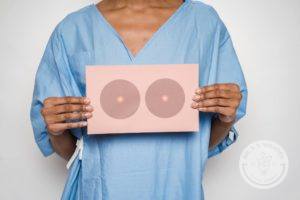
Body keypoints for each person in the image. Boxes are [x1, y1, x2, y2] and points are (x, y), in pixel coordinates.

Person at [30, 0, 247, 199]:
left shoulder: (204, 23)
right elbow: (78, 154)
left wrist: (226, 119)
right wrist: (55, 131)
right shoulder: (73, 30)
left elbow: (198, 145)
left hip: (177, 191)